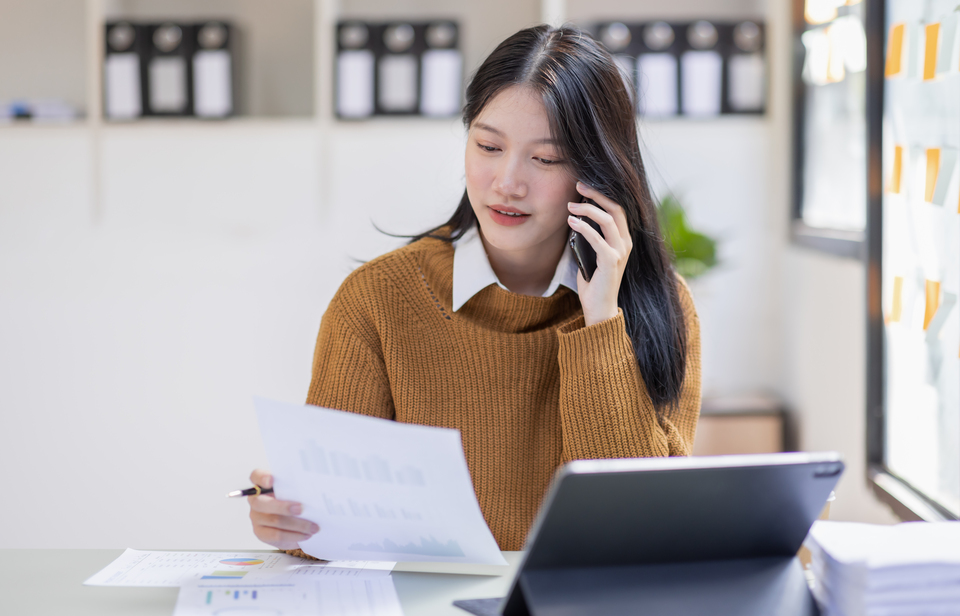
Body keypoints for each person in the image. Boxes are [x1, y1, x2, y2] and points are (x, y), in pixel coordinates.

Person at [247, 24, 701, 556]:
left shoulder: (658, 305)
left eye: (546, 158)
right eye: (488, 145)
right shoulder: (377, 300)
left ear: (598, 172)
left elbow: (643, 532)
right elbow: (327, 524)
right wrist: (287, 520)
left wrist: (600, 320)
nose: (507, 181)